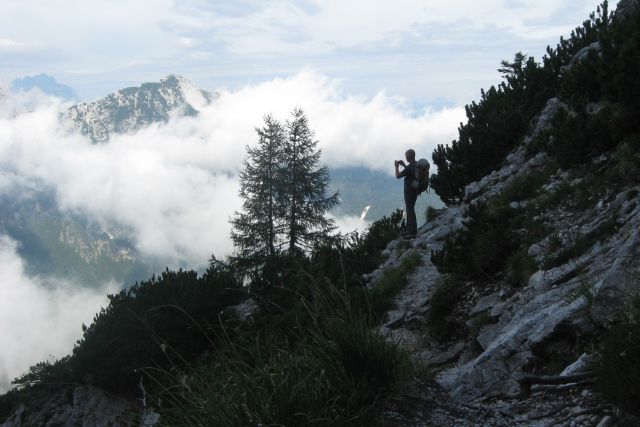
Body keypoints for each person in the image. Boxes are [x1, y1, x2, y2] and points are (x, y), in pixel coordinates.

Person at [395, 149, 418, 239]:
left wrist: (396, 166)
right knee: (410, 209)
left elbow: (398, 176)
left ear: (409, 156)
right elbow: (410, 172)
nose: (405, 157)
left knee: (410, 210)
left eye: (406, 156)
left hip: (409, 190)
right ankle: (410, 230)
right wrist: (404, 165)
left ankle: (412, 232)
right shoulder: (416, 164)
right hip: (415, 190)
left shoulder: (409, 167)